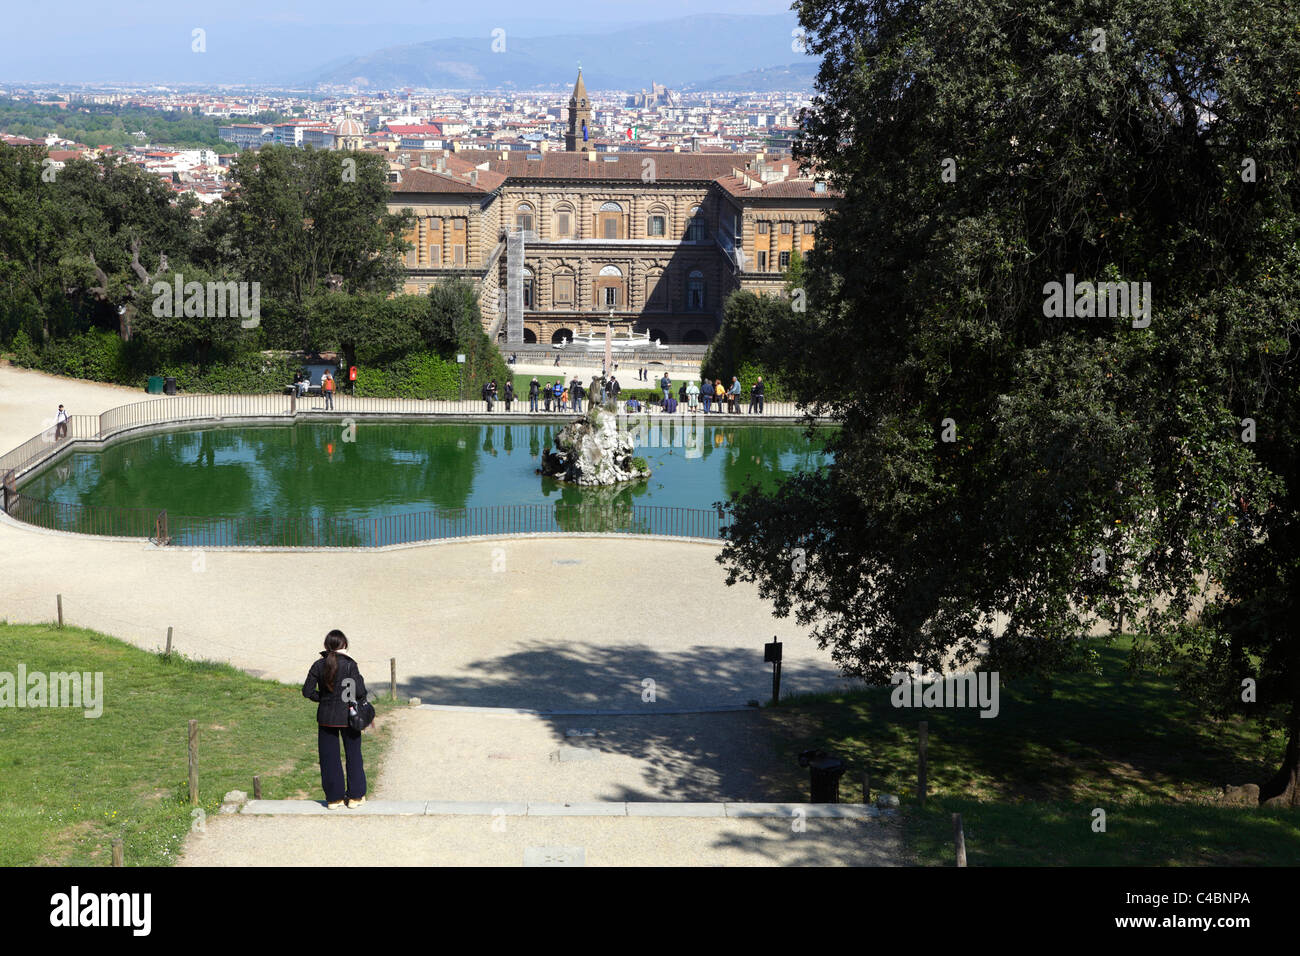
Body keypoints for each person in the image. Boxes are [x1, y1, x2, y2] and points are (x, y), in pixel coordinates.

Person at [302, 630, 368, 809]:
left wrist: (322, 698)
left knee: (329, 758)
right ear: (344, 645)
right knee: (353, 756)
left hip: (326, 717)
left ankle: (334, 799)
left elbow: (307, 691)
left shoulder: (318, 665)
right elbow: (360, 691)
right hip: (348, 716)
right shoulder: (349, 665)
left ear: (326, 646)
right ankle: (355, 797)